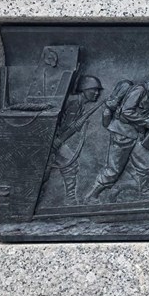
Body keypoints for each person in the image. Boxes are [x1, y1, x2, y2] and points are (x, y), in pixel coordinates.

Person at [85, 63, 149, 203]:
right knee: (114, 171)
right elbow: (126, 112)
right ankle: (92, 196)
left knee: (146, 165)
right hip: (122, 133)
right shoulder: (140, 90)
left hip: (135, 135)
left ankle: (145, 195)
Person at [50, 75, 103, 205]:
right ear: (84, 90)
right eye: (93, 90)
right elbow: (59, 122)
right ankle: (69, 199)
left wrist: (76, 126)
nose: (97, 93)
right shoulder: (74, 103)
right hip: (50, 140)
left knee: (70, 164)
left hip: (55, 140)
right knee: (67, 164)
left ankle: (70, 198)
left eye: (98, 90)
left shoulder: (79, 104)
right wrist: (56, 139)